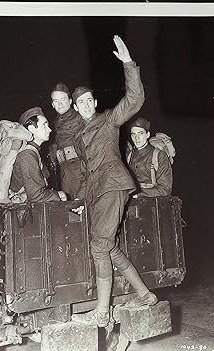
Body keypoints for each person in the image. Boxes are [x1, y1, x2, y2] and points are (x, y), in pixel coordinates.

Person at [71, 35, 158, 328]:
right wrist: (82, 202)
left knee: (99, 247)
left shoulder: (108, 120)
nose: (84, 105)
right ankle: (145, 295)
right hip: (98, 194)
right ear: (75, 108)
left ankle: (102, 311)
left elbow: (135, 100)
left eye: (87, 101)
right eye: (78, 103)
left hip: (114, 186)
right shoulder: (80, 139)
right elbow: (86, 174)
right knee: (109, 248)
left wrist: (128, 64)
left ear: (95, 103)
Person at [9, 106, 67, 203]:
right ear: (32, 129)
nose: (49, 130)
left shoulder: (33, 152)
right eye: (44, 125)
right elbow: (35, 195)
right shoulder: (27, 155)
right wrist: (58, 195)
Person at [49, 83, 84, 199]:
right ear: (53, 104)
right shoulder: (55, 123)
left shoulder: (80, 117)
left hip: (80, 171)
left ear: (70, 101)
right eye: (56, 101)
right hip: (64, 174)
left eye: (63, 100)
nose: (60, 104)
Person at [128, 117, 173, 197]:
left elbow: (165, 189)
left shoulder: (159, 156)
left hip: (152, 204)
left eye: (140, 133)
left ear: (147, 134)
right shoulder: (129, 156)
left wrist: (138, 194)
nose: (136, 138)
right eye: (133, 134)